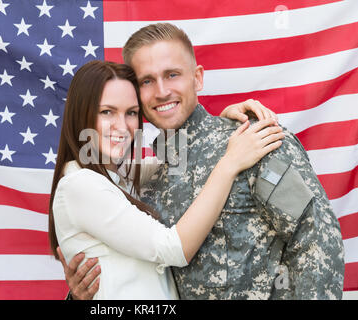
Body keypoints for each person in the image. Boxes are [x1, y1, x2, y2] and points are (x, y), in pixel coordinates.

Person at [60, 23, 345, 300]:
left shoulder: (253, 142)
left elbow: (316, 241)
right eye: (147, 81)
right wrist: (81, 295)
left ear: (197, 78)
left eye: (172, 75)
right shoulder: (146, 180)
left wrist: (222, 132)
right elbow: (135, 271)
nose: (161, 91)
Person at [49, 60, 284, 299]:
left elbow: (181, 161)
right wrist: (230, 164)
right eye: (107, 112)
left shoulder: (119, 175)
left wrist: (221, 127)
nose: (122, 126)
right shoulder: (80, 184)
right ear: (81, 114)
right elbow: (174, 248)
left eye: (131, 112)